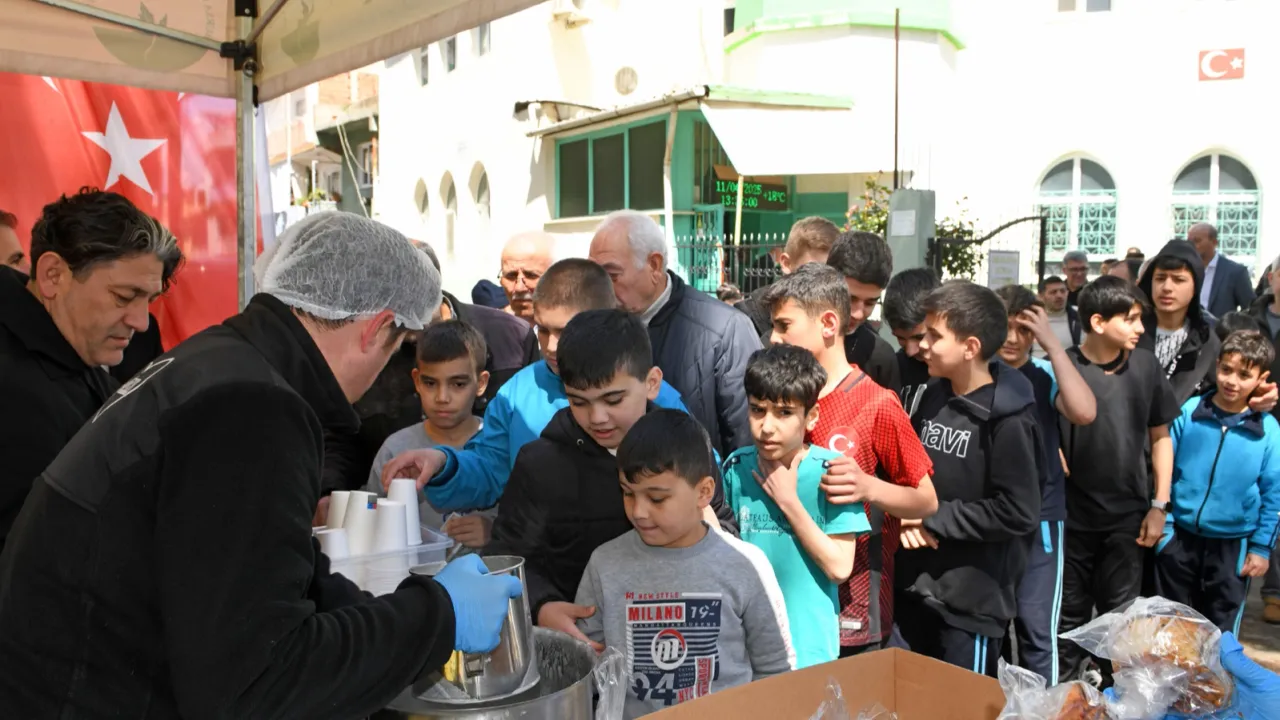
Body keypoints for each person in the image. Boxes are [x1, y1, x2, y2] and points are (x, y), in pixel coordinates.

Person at [0, 212, 522, 718]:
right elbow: (255, 682)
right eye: (398, 347)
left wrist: (392, 612)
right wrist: (438, 616)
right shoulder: (255, 408)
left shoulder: (222, 360)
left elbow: (274, 574)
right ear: (376, 329)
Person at [486, 309, 736, 646]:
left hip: (686, 641)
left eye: (613, 399)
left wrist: (710, 532)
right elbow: (505, 559)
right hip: (584, 650)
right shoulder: (541, 464)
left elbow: (728, 533)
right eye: (579, 402)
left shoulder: (688, 447)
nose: (598, 417)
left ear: (651, 383)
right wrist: (542, 606)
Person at [379, 259, 691, 513]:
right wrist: (444, 465)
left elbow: (697, 472)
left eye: (564, 331)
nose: (552, 346)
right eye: (542, 330)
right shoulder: (515, 394)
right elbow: (488, 470)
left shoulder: (649, 393)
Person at [763, 263, 937, 656]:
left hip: (854, 610)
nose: (774, 338)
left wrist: (868, 487)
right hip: (787, 604)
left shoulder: (876, 403)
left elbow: (926, 500)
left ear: (828, 323)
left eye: (784, 325)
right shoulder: (775, 403)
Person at [576, 410, 795, 716]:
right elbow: (584, 667)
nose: (638, 511)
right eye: (628, 494)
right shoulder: (605, 564)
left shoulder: (746, 565)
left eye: (657, 498)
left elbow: (775, 670)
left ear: (703, 492)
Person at [0, 189, 182, 556]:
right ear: (53, 275)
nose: (142, 322)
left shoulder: (71, 350)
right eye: (123, 296)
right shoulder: (13, 391)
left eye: (148, 301)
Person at [896, 280, 1044, 677]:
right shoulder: (934, 393)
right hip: (917, 587)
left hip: (971, 604)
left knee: (961, 703)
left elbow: (1017, 511)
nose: (922, 345)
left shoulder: (1010, 419)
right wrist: (906, 515)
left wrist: (930, 516)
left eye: (934, 335)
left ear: (970, 347)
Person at [324, 240, 539, 493]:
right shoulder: (364, 348)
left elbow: (532, 437)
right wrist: (330, 492)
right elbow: (340, 435)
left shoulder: (511, 337)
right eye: (388, 304)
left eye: (458, 383)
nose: (442, 397)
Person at [1056, 276, 1180, 685]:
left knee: (1121, 621)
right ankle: (1065, 699)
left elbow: (1160, 438)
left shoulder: (1145, 366)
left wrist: (1159, 505)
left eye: (1141, 318)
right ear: (1097, 322)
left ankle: (1115, 698)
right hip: (1071, 519)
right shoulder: (1065, 367)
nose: (1140, 328)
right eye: (1130, 319)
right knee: (1067, 619)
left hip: (1128, 519)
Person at [722, 345, 871, 668]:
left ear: (811, 416)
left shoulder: (833, 473)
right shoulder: (736, 469)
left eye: (784, 413)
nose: (767, 426)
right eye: (758, 410)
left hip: (809, 652)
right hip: (747, 651)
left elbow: (839, 568)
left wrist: (788, 501)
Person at [589, 210, 760, 456]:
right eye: (595, 275)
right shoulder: (593, 327)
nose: (600, 286)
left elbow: (746, 444)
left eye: (611, 276)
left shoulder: (726, 329)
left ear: (654, 265)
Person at [994, 284, 1098, 683]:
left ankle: (1044, 708)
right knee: (990, 630)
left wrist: (1052, 344)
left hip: (1041, 519)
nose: (1012, 338)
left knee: (1037, 630)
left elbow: (1084, 412)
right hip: (989, 517)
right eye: (1005, 327)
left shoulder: (1045, 373)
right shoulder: (977, 374)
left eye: (1024, 329)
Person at [1155, 330, 1280, 634]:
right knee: (1169, 625)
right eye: (1226, 369)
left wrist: (1261, 548)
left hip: (1232, 545)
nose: (1231, 381)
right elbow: (1165, 469)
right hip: (1180, 537)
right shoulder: (1189, 412)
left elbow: (1274, 493)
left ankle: (1216, 669)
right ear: (1217, 366)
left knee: (1219, 629)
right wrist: (1166, 526)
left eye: (1244, 375)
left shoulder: (1268, 431)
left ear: (1261, 379)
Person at [363, 320, 493, 548]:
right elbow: (370, 514)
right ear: (416, 380)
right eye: (431, 383)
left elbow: (528, 519)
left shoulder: (499, 446)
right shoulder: (396, 449)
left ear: (481, 383)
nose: (442, 397)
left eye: (458, 384)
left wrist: (495, 529)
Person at [1136, 239, 1220, 405]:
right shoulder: (1129, 331)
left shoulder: (1207, 341)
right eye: (1160, 278)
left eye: (1178, 280)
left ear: (1195, 286)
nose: (1167, 287)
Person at [736, 216, 840, 338]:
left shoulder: (846, 321)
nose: (824, 282)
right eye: (813, 272)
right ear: (786, 263)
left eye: (834, 273)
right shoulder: (747, 320)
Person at [825, 230, 902, 394]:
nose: (858, 313)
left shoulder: (880, 357)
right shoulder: (791, 337)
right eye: (850, 299)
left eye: (870, 303)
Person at [884, 267, 940, 417]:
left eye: (919, 337)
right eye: (901, 338)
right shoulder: (892, 370)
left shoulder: (961, 374)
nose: (910, 351)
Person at [1189, 222, 1255, 318]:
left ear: (1214, 242)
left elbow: (1251, 309)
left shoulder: (1235, 272)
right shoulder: (1185, 269)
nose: (1191, 245)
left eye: (1197, 240)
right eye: (1189, 241)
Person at [498, 231, 556, 323]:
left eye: (531, 275)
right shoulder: (490, 328)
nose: (519, 288)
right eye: (511, 276)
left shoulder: (576, 328)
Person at [1036, 275, 1080, 357]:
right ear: (1041, 296)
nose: (1059, 296)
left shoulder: (1078, 316)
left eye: (1063, 291)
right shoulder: (1032, 318)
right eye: (1053, 292)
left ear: (1067, 293)